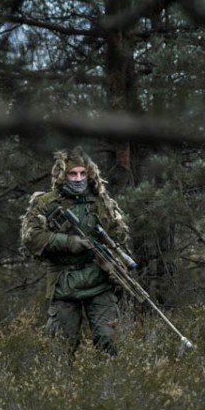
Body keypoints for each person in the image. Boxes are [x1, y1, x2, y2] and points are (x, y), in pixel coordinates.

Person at [20, 147, 130, 355]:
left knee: (109, 341)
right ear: (63, 175)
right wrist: (68, 242)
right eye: (73, 173)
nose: (78, 179)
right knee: (60, 349)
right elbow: (31, 238)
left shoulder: (101, 202)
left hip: (99, 281)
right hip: (64, 284)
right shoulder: (46, 203)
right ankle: (61, 388)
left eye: (82, 173)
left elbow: (118, 237)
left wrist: (116, 264)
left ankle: (110, 386)